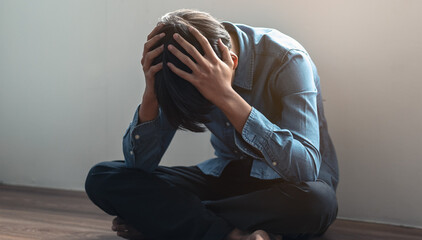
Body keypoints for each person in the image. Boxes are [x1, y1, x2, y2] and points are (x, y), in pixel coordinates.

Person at [84, 9, 339, 240]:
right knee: (102, 177)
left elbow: (305, 168)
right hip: (223, 178)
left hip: (282, 185)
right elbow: (139, 166)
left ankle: (175, 223)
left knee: (318, 203)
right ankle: (237, 233)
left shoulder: (287, 59)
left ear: (232, 61)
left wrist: (225, 96)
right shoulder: (177, 69)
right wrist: (151, 94)